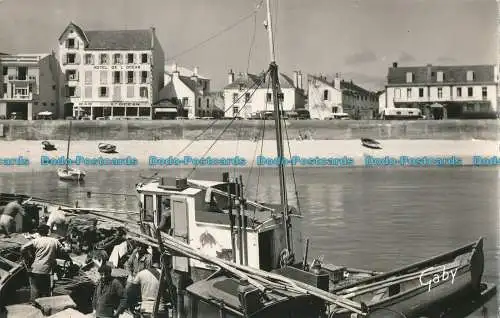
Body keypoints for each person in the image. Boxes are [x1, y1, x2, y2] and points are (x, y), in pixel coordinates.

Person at [20, 224, 72, 302]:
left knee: (35, 291)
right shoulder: (55, 241)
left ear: (39, 232)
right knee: (45, 292)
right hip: (47, 270)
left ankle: (34, 307)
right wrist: (69, 256)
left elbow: (23, 248)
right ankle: (44, 309)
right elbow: (64, 252)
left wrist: (28, 256)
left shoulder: (35, 241)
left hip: (35, 269)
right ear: (48, 232)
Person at [119, 251, 169, 318]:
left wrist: (131, 305)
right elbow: (168, 294)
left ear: (150, 261)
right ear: (161, 261)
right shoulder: (165, 275)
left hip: (146, 309)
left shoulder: (141, 274)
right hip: (161, 309)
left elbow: (130, 291)